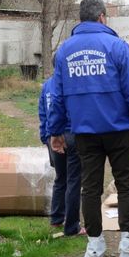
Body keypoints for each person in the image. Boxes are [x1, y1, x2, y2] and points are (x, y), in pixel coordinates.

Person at [47, 0, 129, 257]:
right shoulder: (117, 46)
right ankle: (128, 247)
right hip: (118, 131)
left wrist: (56, 131)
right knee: (127, 184)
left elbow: (56, 95)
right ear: (103, 17)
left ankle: (94, 247)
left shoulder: (64, 51)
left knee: (90, 188)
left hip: (84, 132)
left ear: (81, 19)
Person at [38, 76, 84, 236]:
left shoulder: (47, 86)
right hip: (71, 134)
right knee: (74, 181)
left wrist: (45, 137)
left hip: (52, 136)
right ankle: (72, 226)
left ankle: (56, 218)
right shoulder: (71, 82)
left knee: (60, 178)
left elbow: (43, 112)